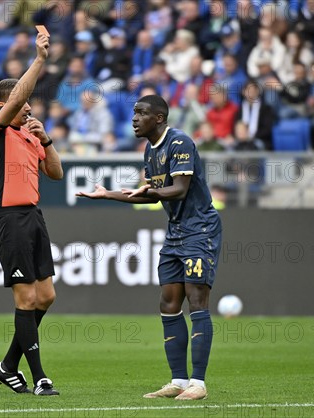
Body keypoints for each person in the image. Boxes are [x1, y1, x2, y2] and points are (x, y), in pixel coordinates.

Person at [76, 95, 222, 401]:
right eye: (133, 113)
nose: (134, 118)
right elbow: (152, 196)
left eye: (141, 113)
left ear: (159, 118)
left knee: (197, 300)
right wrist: (109, 195)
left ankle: (199, 383)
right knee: (169, 303)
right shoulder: (149, 150)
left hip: (200, 229)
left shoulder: (179, 143)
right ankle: (179, 381)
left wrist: (151, 190)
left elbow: (179, 190)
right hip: (175, 233)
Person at [0, 32, 63, 396]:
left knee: (45, 297)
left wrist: (45, 140)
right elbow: (17, 98)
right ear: (5, 105)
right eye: (25, 104)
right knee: (25, 299)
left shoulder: (29, 135)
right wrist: (40, 60)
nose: (29, 109)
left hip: (33, 217)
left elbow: (56, 173)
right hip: (7, 219)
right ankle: (40, 377)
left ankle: (8, 365)